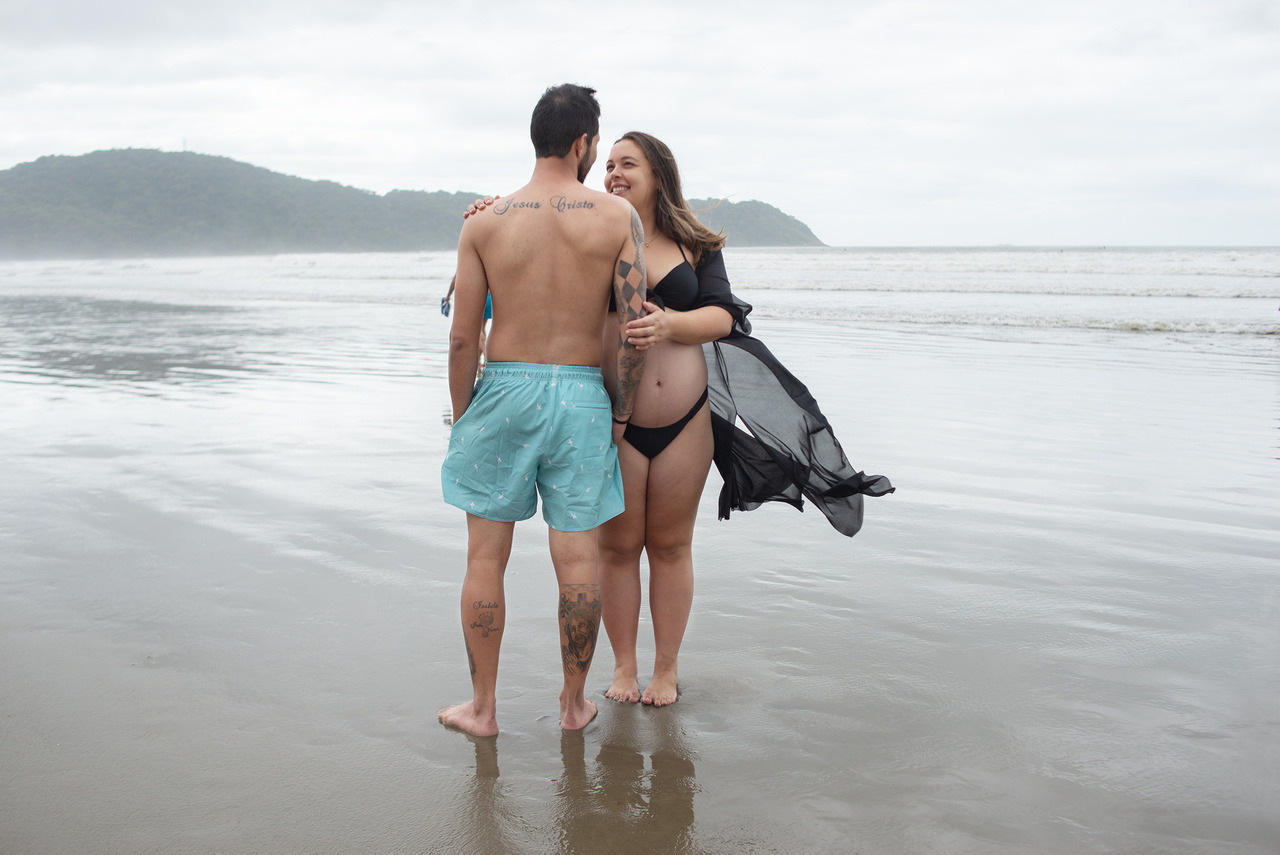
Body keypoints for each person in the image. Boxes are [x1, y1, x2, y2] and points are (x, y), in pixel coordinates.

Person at [470, 132, 894, 709]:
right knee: (617, 549)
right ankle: (624, 667)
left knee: (670, 546)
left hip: (685, 420)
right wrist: (489, 211)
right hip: (612, 415)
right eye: (609, 164)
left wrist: (671, 326)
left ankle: (665, 669)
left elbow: (721, 315)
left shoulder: (694, 243)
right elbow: (528, 262)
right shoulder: (594, 229)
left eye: (629, 164)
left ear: (659, 174)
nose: (615, 173)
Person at [438, 84, 647, 737]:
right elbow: (632, 328)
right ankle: (572, 704)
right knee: (579, 559)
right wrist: (619, 411)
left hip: (502, 388)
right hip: (582, 394)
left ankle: (483, 708)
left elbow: (461, 335)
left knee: (483, 558)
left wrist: (464, 410)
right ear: (585, 143)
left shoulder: (484, 221)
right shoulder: (617, 219)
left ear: (537, 138)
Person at [443, 276, 493, 374]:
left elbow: (455, 279)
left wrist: (448, 295)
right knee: (482, 328)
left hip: (479, 297)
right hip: (490, 298)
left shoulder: (471, 262)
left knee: (477, 331)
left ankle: (486, 354)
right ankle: (478, 363)